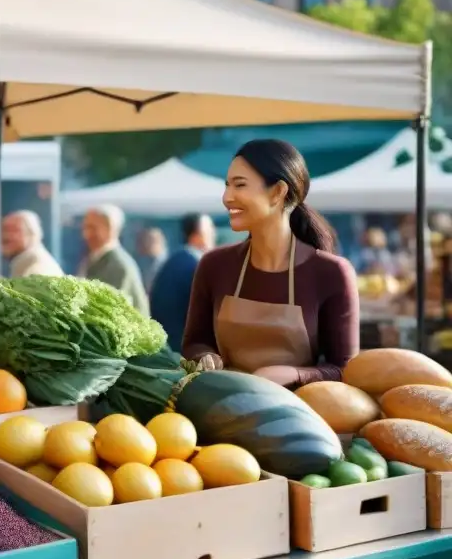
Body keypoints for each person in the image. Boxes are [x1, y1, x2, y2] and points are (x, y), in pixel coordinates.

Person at [182, 139, 358, 387]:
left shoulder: (331, 273)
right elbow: (194, 342)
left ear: (278, 192)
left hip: (299, 413)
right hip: (223, 406)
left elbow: (345, 369)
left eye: (239, 185)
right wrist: (204, 355)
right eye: (226, 186)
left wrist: (295, 375)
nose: (227, 197)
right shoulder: (213, 265)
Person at [149, 214, 216, 352]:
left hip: (165, 346)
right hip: (184, 351)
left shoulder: (174, 260)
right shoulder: (195, 266)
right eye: (210, 230)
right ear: (197, 235)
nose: (213, 235)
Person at [80, 205, 148, 316]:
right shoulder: (96, 258)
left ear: (110, 228)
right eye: (85, 228)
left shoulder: (118, 264)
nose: (86, 234)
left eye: (92, 228)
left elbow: (106, 313)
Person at [2, 211, 63, 278]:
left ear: (32, 234)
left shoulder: (38, 269)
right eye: (4, 230)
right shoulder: (22, 264)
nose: (6, 236)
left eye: (14, 230)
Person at [136, 226, 168, 292]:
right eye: (147, 240)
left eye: (153, 241)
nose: (147, 244)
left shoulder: (166, 264)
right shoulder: (142, 263)